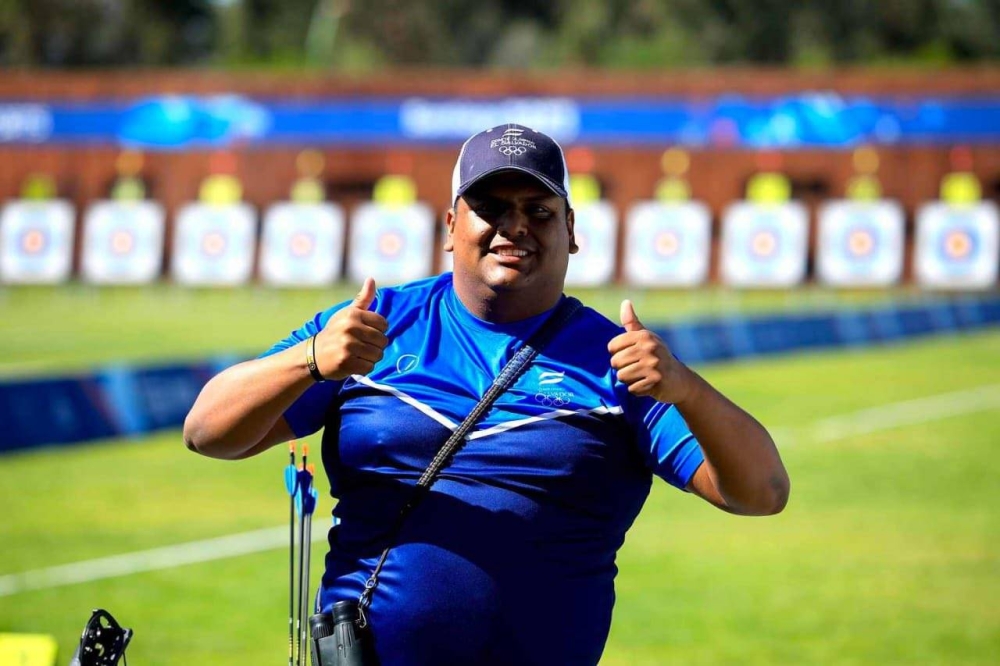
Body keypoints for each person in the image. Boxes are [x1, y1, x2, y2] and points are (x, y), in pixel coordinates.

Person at [184, 123, 790, 665]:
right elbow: (207, 432)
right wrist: (310, 362)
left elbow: (761, 492)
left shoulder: (618, 362)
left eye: (539, 209)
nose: (515, 226)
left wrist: (685, 388)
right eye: (490, 207)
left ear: (571, 230)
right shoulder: (373, 325)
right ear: (451, 227)